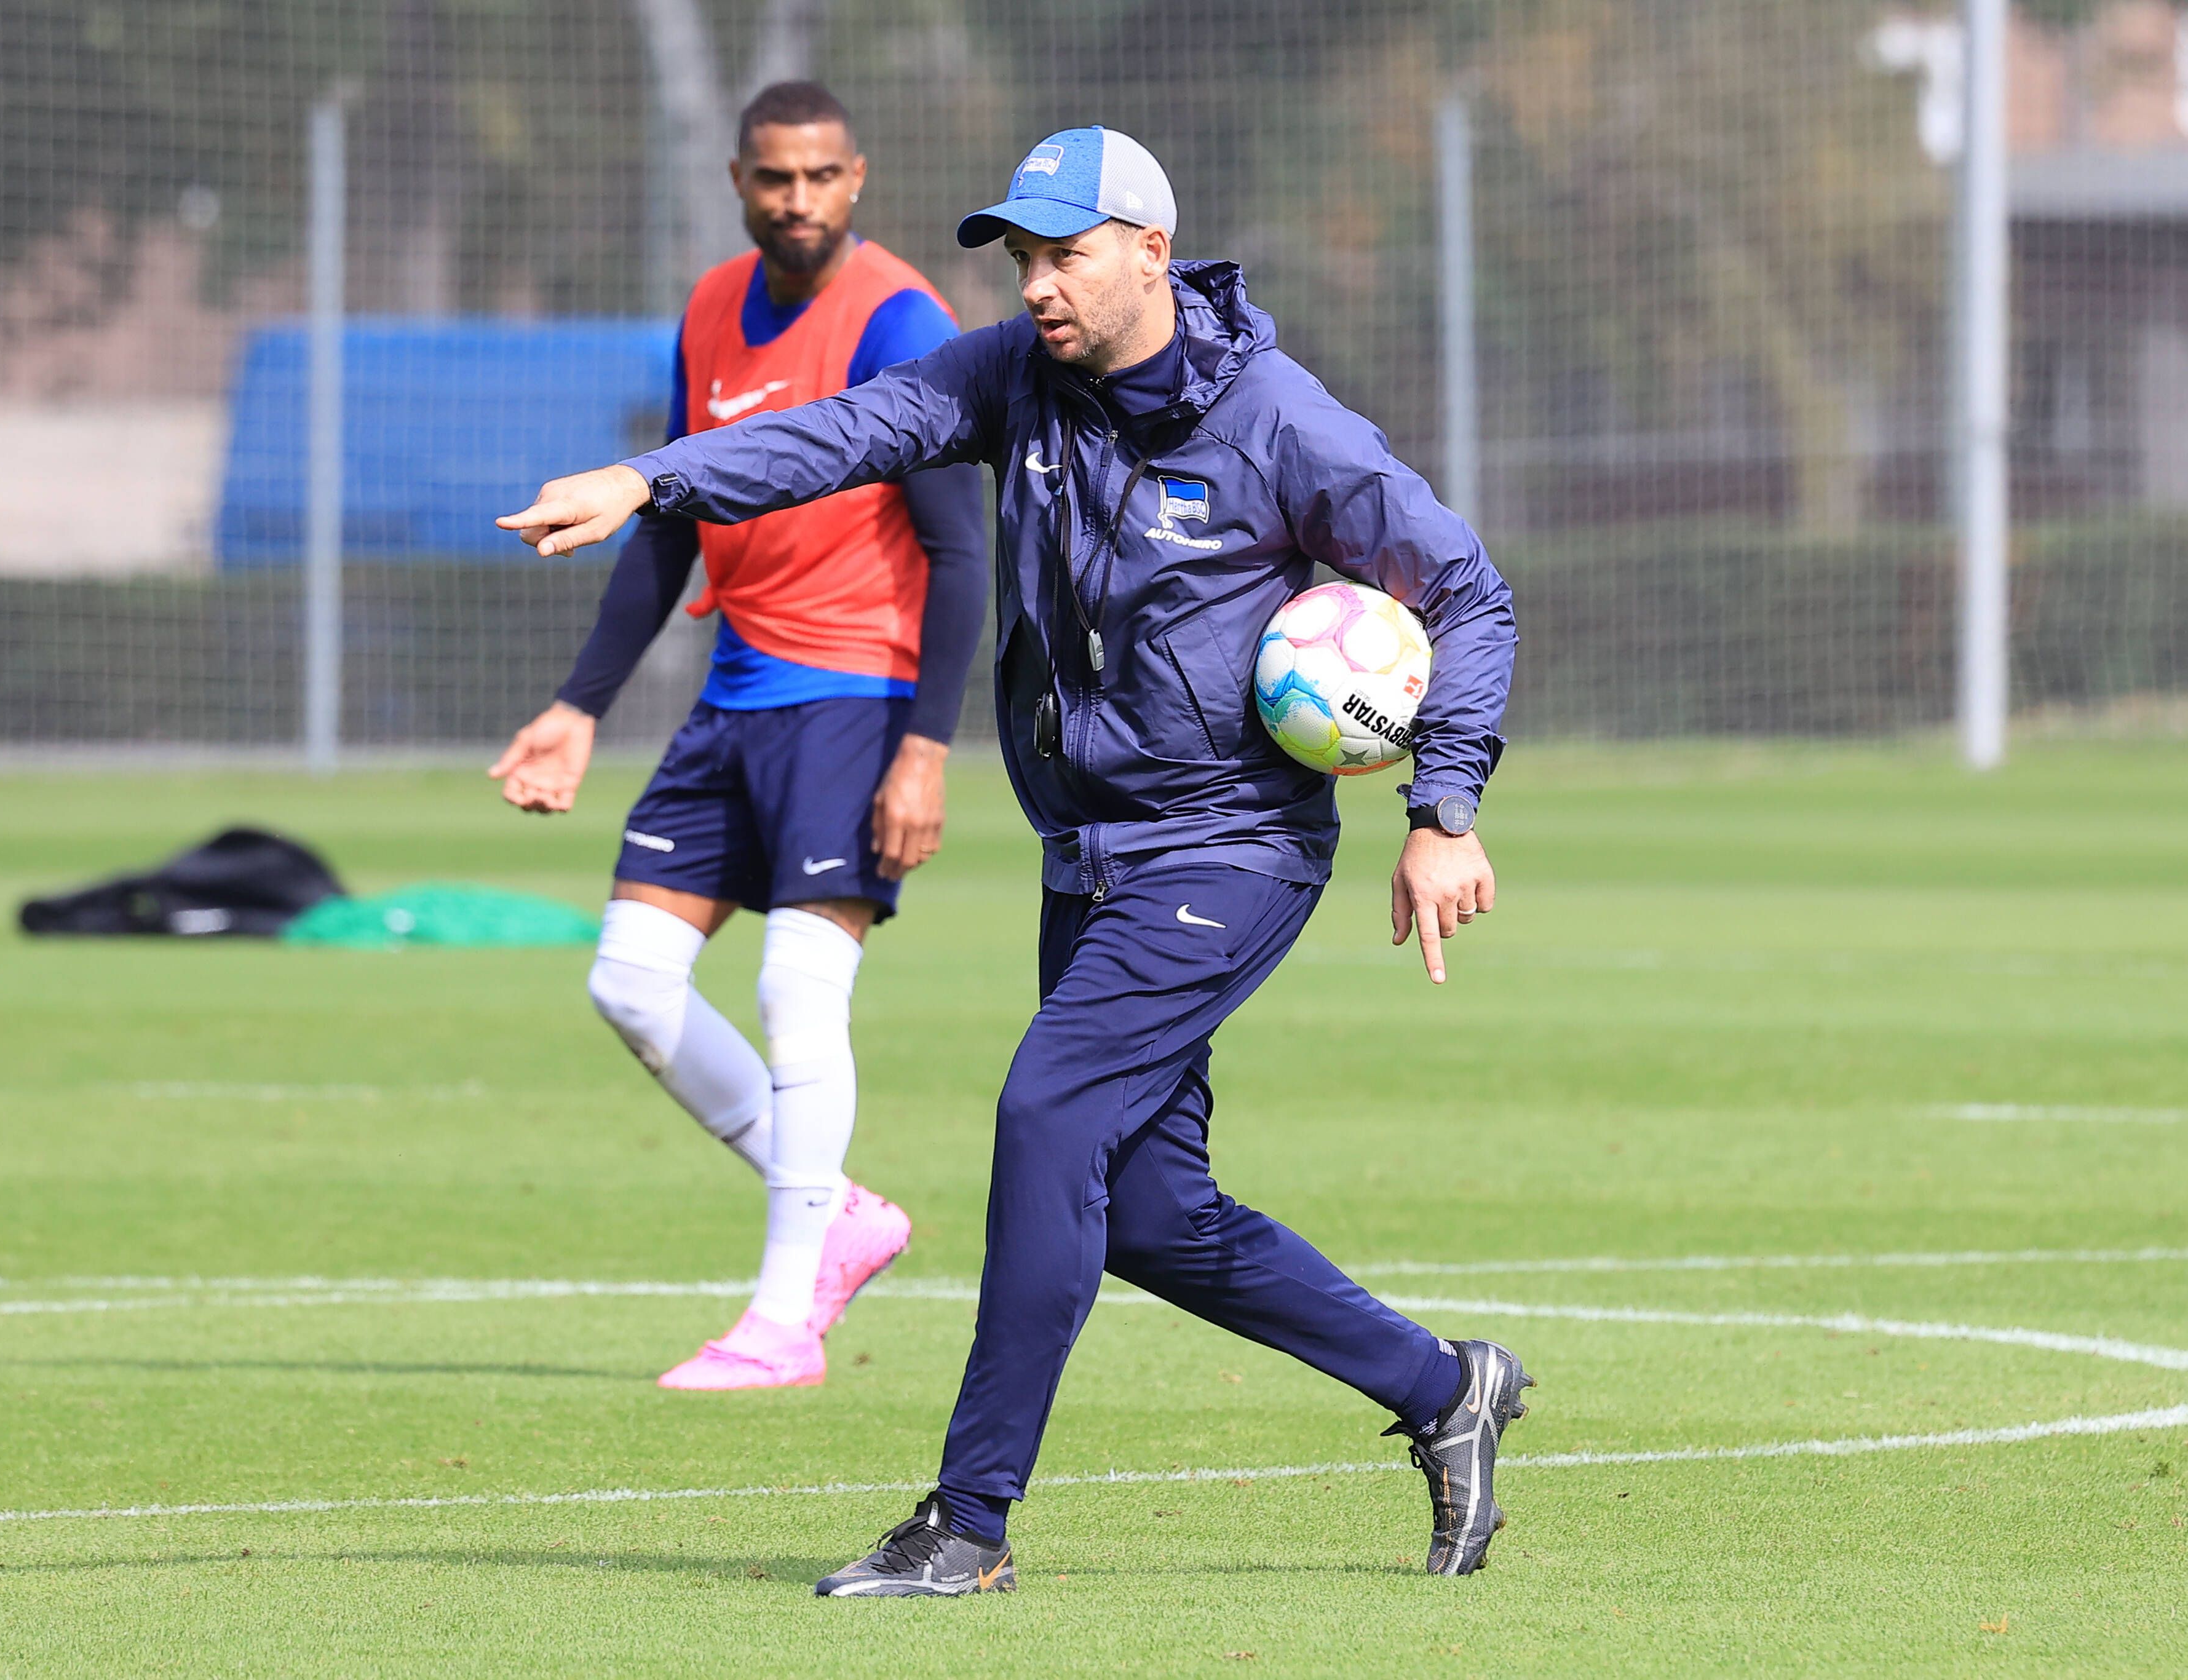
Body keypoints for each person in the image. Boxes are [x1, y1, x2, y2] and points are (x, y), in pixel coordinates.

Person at [499, 125, 1529, 1588]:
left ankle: (967, 1522)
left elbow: (1469, 591)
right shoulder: (1009, 381)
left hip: (1228, 847)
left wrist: (1443, 812)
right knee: (1153, 1214)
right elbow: (839, 434)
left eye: (1068, 254)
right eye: (1025, 258)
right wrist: (655, 481)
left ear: (1152, 254)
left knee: (1046, 1116)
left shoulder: (1282, 423)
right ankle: (1445, 1390)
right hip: (1091, 853)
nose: (1039, 285)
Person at [488, 82, 986, 1391]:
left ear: (858, 177)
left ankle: (783, 1320)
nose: (801, 200)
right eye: (777, 178)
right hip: (737, 692)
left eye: (824, 176)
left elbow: (959, 545)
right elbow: (669, 519)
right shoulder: (711, 310)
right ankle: (839, 1213)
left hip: (859, 693)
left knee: (793, 989)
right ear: (739, 180)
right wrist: (576, 705)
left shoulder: (901, 320)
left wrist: (928, 745)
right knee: (631, 980)